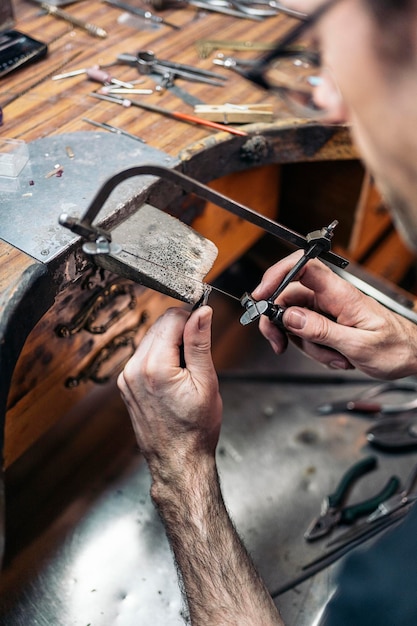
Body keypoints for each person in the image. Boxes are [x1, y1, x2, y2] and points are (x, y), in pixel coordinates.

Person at [117, 0, 417, 623]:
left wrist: (179, 472)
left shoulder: (396, 583)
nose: (330, 106)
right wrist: (412, 345)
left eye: (320, 52)